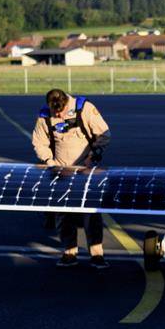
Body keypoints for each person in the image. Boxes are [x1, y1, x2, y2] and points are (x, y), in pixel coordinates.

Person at [32, 88, 111, 269]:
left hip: (86, 170)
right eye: (55, 113)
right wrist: (50, 163)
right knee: (63, 212)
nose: (58, 116)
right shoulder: (44, 116)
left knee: (91, 212)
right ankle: (69, 252)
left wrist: (92, 156)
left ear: (66, 103)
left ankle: (97, 254)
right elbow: (39, 142)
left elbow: (104, 135)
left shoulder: (85, 108)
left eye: (61, 112)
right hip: (60, 171)